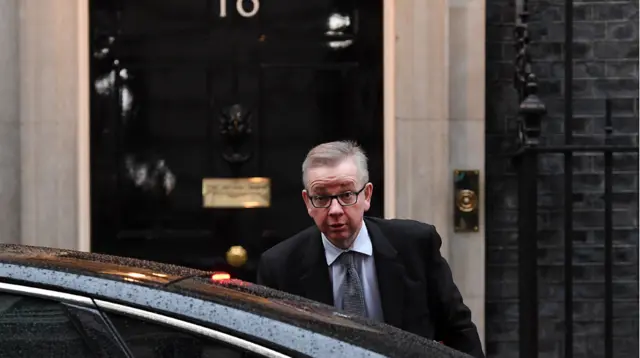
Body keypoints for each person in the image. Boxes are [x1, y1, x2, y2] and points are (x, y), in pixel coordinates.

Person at [256, 140, 484, 358]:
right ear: (307, 202)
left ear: (367, 195)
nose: (335, 209)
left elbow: (458, 332)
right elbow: (266, 346)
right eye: (322, 197)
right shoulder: (280, 267)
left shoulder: (416, 246)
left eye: (346, 195)